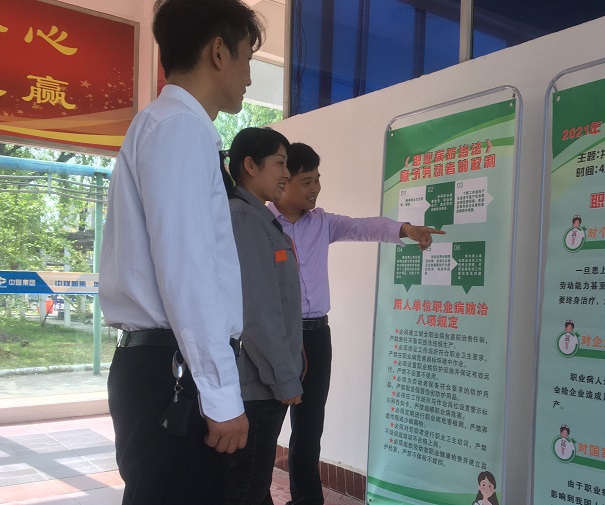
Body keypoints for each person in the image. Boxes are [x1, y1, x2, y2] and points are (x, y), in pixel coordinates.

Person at [100, 1, 263, 504]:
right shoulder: (179, 128)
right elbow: (188, 271)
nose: (249, 78)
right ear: (219, 52)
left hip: (166, 364)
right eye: (247, 59)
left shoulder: (165, 125)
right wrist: (220, 395)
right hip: (174, 370)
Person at [268, 142, 445, 505]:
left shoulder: (322, 223)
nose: (315, 188)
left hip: (316, 336)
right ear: (284, 181)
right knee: (267, 424)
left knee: (309, 428)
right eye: (307, 181)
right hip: (277, 337)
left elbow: (363, 227)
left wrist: (405, 229)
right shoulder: (263, 222)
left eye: (318, 179)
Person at [223, 127, 304, 505]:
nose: (286, 173)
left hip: (262, 382)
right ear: (250, 166)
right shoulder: (243, 219)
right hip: (256, 387)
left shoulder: (258, 218)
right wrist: (285, 379)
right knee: (248, 488)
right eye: (280, 163)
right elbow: (256, 312)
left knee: (253, 486)